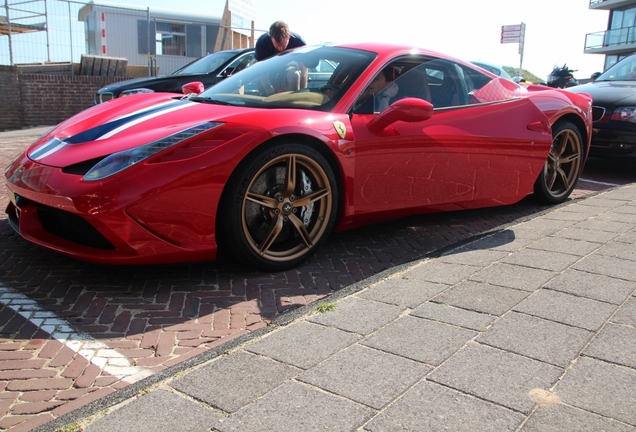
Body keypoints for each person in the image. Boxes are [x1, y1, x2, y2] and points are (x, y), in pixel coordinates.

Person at [255, 21, 308, 94]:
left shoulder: (299, 43)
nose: (280, 49)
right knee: (263, 89)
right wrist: (271, 93)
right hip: (268, 72)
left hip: (289, 70)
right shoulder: (262, 43)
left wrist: (302, 94)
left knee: (294, 75)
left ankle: (291, 100)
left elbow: (304, 73)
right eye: (277, 47)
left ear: (289, 36)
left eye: (283, 46)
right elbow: (261, 71)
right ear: (271, 37)